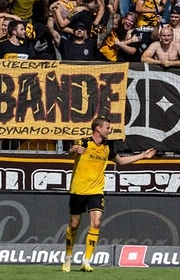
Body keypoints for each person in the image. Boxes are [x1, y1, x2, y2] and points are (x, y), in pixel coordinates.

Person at [62, 116, 156, 273]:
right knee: (74, 225)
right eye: (107, 128)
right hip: (78, 190)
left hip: (96, 191)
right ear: (98, 129)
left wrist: (143, 156)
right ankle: (68, 257)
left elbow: (121, 162)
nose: (109, 130)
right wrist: (74, 150)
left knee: (96, 223)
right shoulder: (84, 142)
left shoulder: (107, 147)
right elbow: (70, 153)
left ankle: (86, 261)